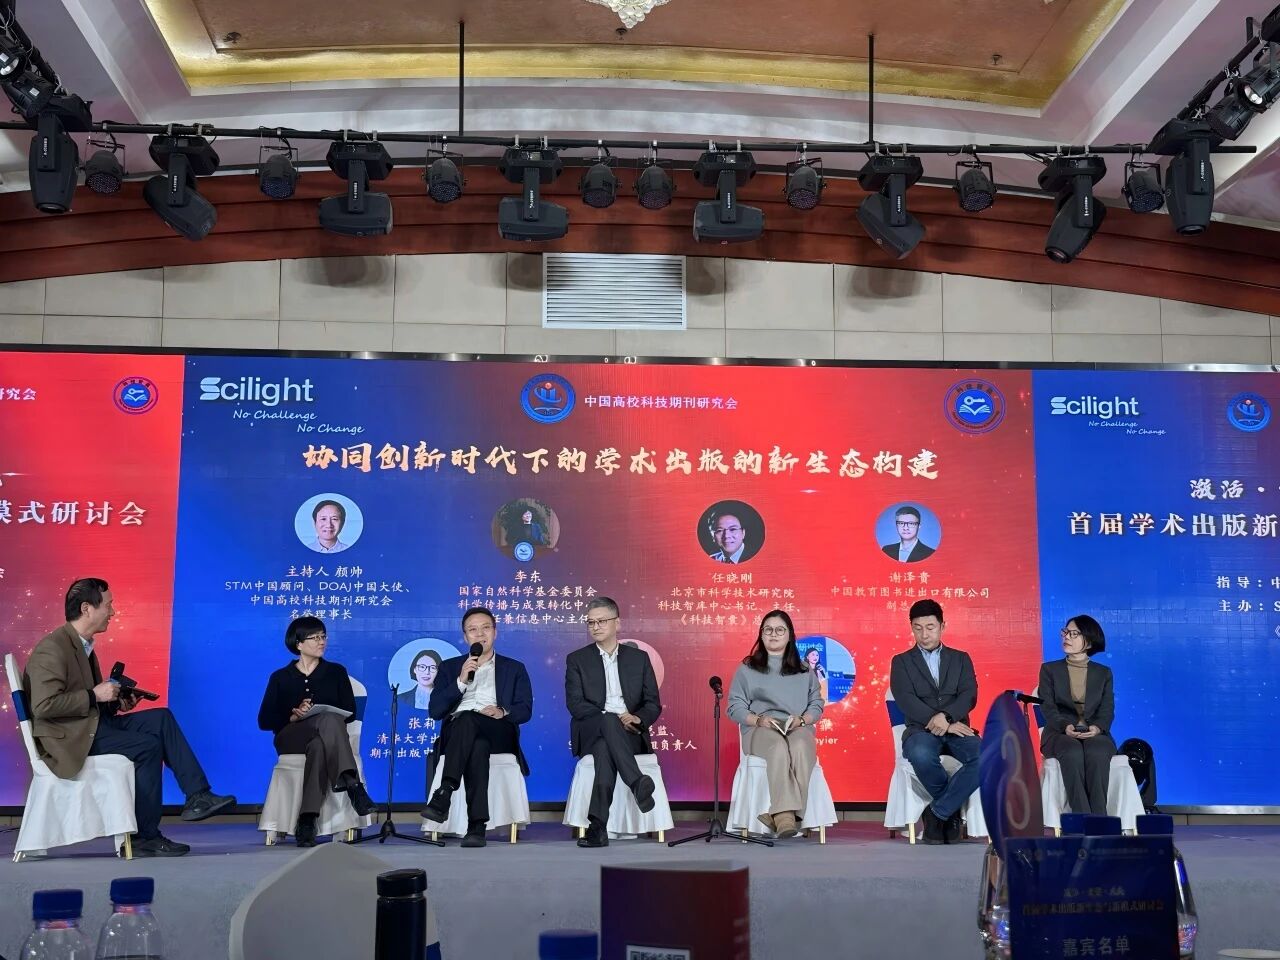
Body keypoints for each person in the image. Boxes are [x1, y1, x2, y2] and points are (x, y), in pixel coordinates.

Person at [22, 578, 236, 857]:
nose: (112, 612)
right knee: (147, 746)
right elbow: (43, 706)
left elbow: (88, 702)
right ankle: (144, 837)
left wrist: (115, 703)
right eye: (108, 605)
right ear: (86, 608)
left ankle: (198, 795)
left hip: (90, 725)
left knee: (161, 718)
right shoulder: (53, 648)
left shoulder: (82, 645)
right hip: (70, 739)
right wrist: (95, 695)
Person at [257, 617, 377, 847]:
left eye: (323, 636)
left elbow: (350, 712)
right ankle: (352, 785)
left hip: (325, 736)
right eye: (315, 638)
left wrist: (318, 710)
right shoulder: (280, 677)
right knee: (328, 721)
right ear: (298, 643)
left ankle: (307, 820)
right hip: (290, 737)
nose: (321, 642)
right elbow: (264, 720)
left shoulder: (336, 672)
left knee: (320, 744)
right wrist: (293, 716)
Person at [420, 607, 533, 848]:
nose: (480, 634)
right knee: (475, 742)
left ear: (495, 632)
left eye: (485, 628)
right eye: (473, 630)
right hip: (459, 732)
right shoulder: (450, 667)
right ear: (465, 637)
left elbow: (525, 710)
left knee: (469, 722)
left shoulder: (514, 668)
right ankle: (477, 827)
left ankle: (445, 791)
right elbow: (435, 711)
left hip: (499, 730)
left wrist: (502, 711)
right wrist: (460, 681)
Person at [564, 597, 662, 848]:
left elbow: (652, 703)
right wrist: (609, 718)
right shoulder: (577, 659)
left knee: (605, 751)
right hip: (592, 729)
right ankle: (637, 781)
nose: (595, 627)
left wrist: (637, 718)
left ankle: (598, 828)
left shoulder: (639, 659)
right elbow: (576, 704)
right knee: (607, 722)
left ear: (617, 623)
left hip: (630, 732)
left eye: (602, 621)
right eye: (591, 622)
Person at [888, 599, 980, 844]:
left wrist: (947, 719)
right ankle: (950, 813)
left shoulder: (961, 658)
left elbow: (969, 695)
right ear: (911, 627)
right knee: (920, 753)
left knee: (987, 756)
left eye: (930, 627)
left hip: (958, 730)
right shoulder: (901, 661)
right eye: (918, 628)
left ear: (942, 626)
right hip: (920, 731)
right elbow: (905, 700)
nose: (924, 634)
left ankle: (937, 812)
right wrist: (940, 721)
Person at [727, 611, 824, 838]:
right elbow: (734, 707)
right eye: (768, 629)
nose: (773, 634)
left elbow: (816, 704)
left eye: (780, 630)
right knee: (777, 747)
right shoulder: (747, 668)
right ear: (761, 635)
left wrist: (802, 720)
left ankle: (783, 817)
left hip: (796, 726)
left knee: (800, 746)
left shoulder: (804, 670)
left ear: (789, 635)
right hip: (760, 728)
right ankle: (787, 817)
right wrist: (758, 720)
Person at [1038, 615, 1115, 816]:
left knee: (1097, 751)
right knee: (1071, 751)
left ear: (1089, 641)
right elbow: (1048, 707)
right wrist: (1065, 726)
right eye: (1065, 632)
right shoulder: (1049, 669)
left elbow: (1107, 709)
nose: (1067, 637)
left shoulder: (1103, 673)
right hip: (1059, 732)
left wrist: (1097, 728)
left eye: (1074, 634)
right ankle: (1082, 817)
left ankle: (1099, 818)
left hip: (1094, 733)